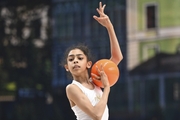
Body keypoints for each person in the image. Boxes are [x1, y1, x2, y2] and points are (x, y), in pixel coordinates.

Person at [62, 2, 123, 120]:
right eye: (71, 59)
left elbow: (117, 58)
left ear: (88, 64)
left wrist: (109, 27)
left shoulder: (95, 80)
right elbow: (96, 115)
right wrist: (106, 88)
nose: (75, 61)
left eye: (80, 58)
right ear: (67, 67)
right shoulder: (72, 88)